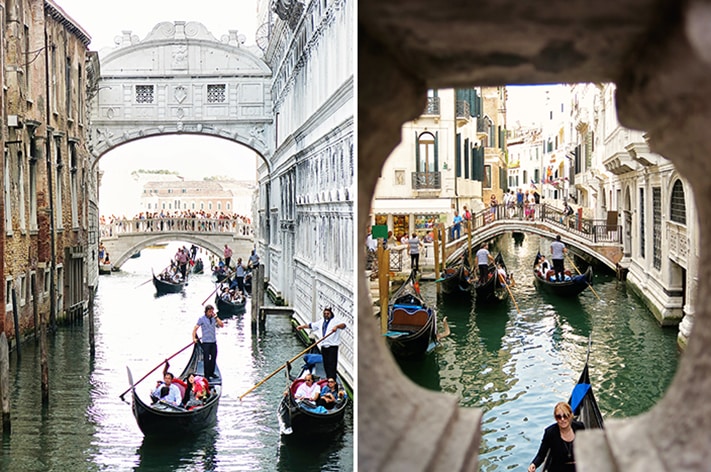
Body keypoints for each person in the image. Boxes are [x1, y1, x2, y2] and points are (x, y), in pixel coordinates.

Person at [528, 402, 584, 472]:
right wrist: (534, 464)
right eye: (559, 417)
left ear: (570, 416)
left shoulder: (580, 427)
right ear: (555, 418)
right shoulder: (550, 433)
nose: (562, 419)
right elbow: (541, 455)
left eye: (565, 416)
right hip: (558, 468)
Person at [296, 307, 347, 381]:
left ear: (331, 314)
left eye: (328, 314)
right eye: (325, 313)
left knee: (332, 364)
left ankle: (332, 379)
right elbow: (311, 325)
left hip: (332, 346)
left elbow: (343, 325)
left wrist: (337, 326)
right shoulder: (321, 321)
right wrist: (302, 327)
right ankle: (328, 378)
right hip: (324, 346)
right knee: (326, 364)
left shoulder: (335, 321)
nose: (326, 315)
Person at [192, 304, 224, 380]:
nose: (211, 313)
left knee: (214, 357)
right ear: (206, 312)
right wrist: (194, 338)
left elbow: (221, 325)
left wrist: (216, 317)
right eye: (210, 312)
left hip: (213, 342)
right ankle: (206, 374)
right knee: (206, 359)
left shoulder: (214, 318)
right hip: (206, 342)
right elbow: (195, 328)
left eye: (212, 311)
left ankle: (211, 373)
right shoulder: (201, 319)